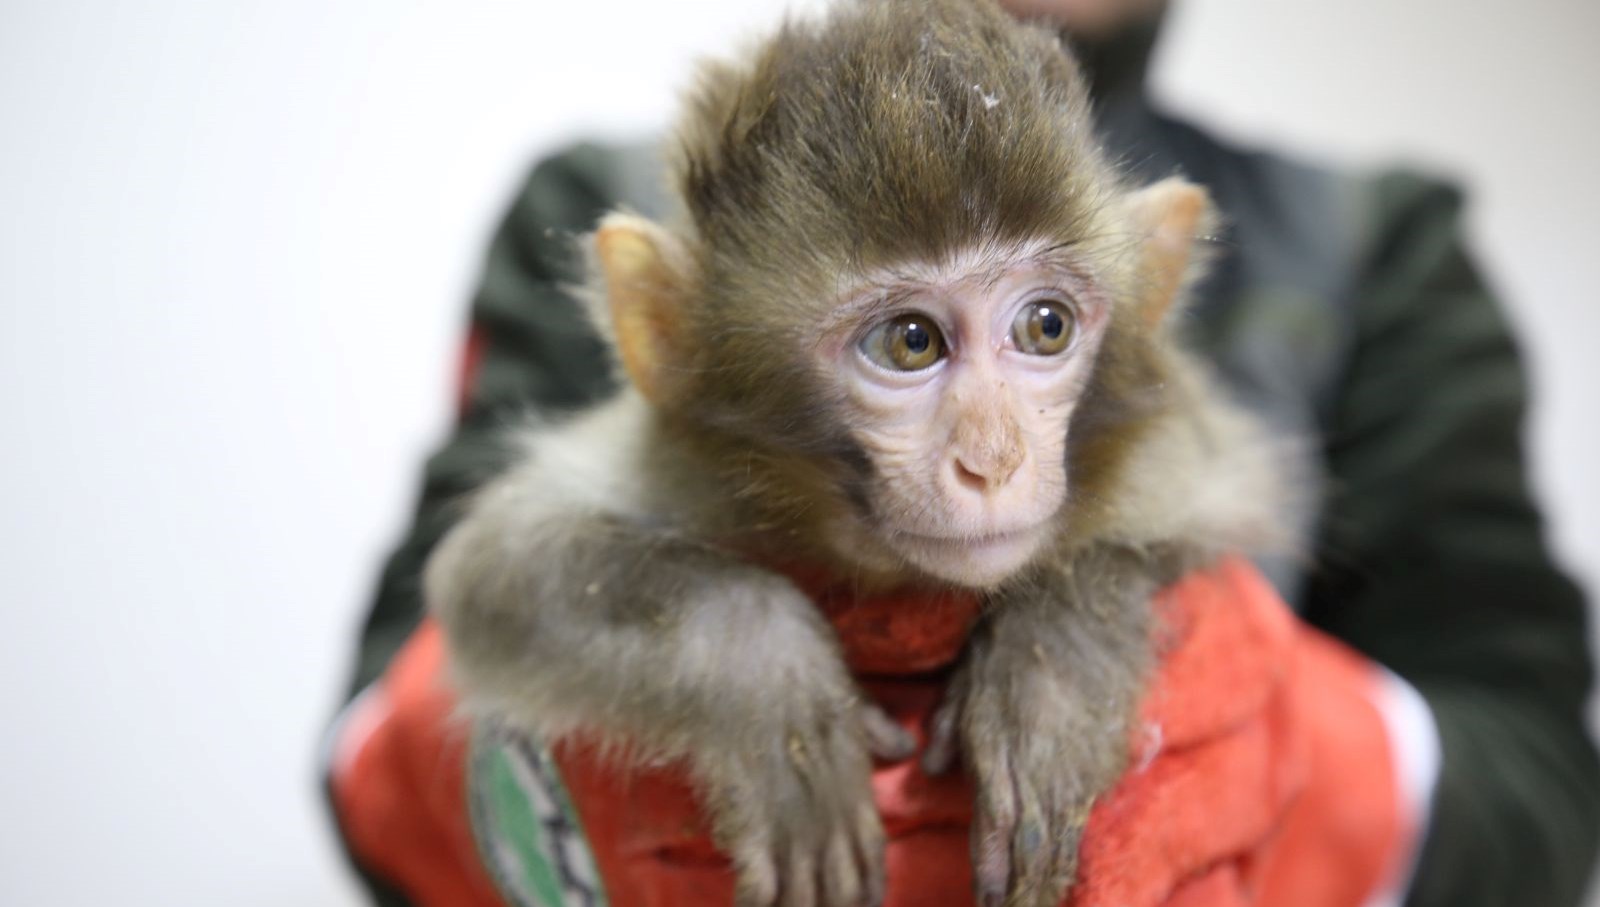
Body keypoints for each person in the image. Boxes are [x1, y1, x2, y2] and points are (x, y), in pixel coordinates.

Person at [324, 1, 1600, 904]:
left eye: (1045, 327)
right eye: (903, 341)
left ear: (1148, 284)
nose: (993, 453)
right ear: (659, 328)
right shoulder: (623, 200)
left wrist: (1293, 757)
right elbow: (392, 724)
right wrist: (698, 661)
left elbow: (1543, 791)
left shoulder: (1373, 242)